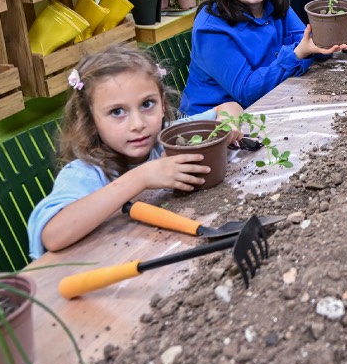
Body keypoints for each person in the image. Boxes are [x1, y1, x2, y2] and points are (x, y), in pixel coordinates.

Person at [26, 45, 244, 258]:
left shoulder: (167, 139)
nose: (138, 124)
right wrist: (141, 177)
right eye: (117, 111)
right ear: (91, 121)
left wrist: (228, 124)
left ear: (163, 106)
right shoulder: (85, 171)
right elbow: (53, 235)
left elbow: (228, 108)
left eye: (147, 104)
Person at [180, 0, 347, 115]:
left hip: (270, 104)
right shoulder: (211, 27)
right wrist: (297, 55)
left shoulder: (274, 3)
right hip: (211, 127)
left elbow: (308, 45)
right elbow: (247, 92)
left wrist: (320, 47)